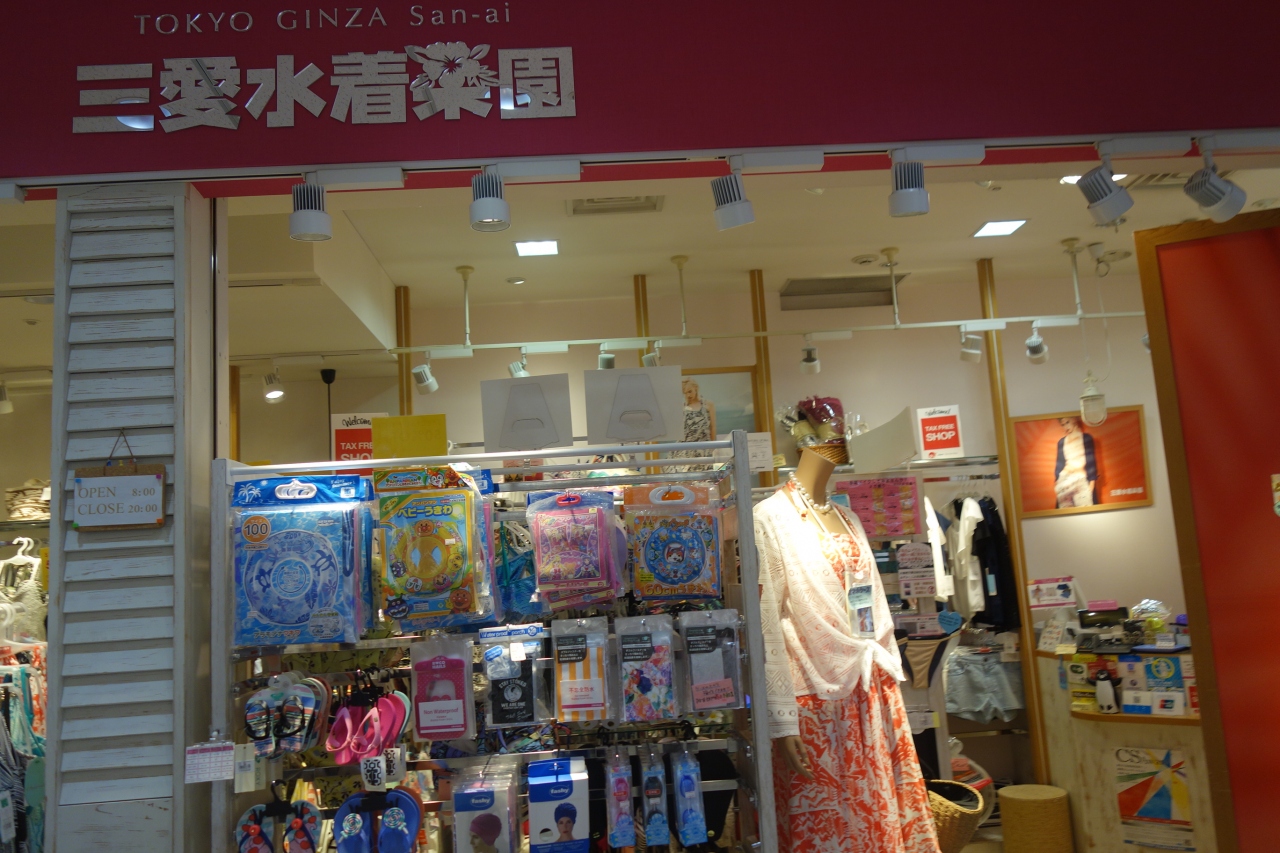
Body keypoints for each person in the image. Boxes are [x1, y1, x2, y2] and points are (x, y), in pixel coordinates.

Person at [666, 377, 717, 472]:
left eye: (690, 391)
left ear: (696, 388)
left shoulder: (708, 405)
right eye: (685, 393)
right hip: (686, 451)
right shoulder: (682, 408)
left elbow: (713, 428)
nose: (688, 395)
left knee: (706, 477)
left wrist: (713, 448)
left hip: (704, 449)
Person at [1053, 416, 1098, 507]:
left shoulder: (1086, 438)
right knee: (1066, 514)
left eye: (1067, 422)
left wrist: (1091, 486)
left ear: (1073, 419)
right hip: (1064, 481)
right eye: (1063, 424)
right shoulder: (1061, 442)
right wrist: (1057, 484)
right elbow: (1059, 465)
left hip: (1081, 480)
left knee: (1086, 512)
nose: (1066, 427)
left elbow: (1091, 463)